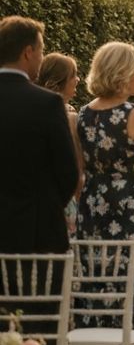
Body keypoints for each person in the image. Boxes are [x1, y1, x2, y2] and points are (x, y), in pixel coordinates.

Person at [77, 42, 134, 331]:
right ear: (122, 73)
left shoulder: (82, 115)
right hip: (130, 213)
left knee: (94, 278)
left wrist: (91, 200)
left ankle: (93, 343)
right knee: (131, 282)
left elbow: (79, 172)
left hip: (91, 211)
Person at [0, 17, 79, 257]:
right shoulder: (47, 103)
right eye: (41, 51)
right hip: (36, 236)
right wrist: (47, 208)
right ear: (28, 52)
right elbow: (68, 173)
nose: (41, 58)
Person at [37, 52, 85, 236]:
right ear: (59, 81)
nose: (78, 79)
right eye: (73, 75)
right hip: (64, 200)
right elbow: (76, 166)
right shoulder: (69, 116)